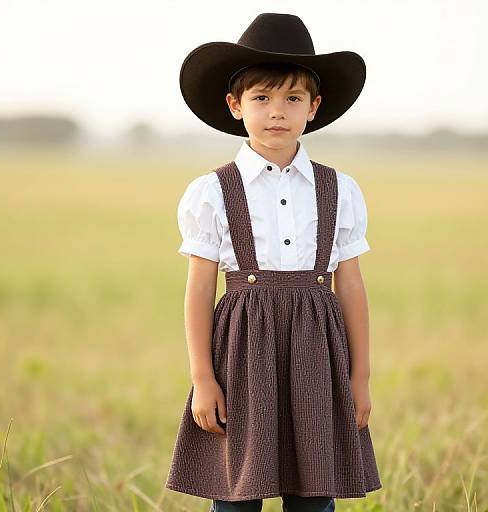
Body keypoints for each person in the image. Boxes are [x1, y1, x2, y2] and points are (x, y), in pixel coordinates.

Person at [165, 12, 382, 512]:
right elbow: (200, 289)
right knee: (238, 492)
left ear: (314, 107)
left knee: (313, 495)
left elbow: (350, 286)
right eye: (261, 98)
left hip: (317, 351)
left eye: (292, 98)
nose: (276, 111)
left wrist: (360, 377)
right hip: (242, 354)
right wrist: (203, 379)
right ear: (235, 105)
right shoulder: (212, 192)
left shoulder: (338, 189)